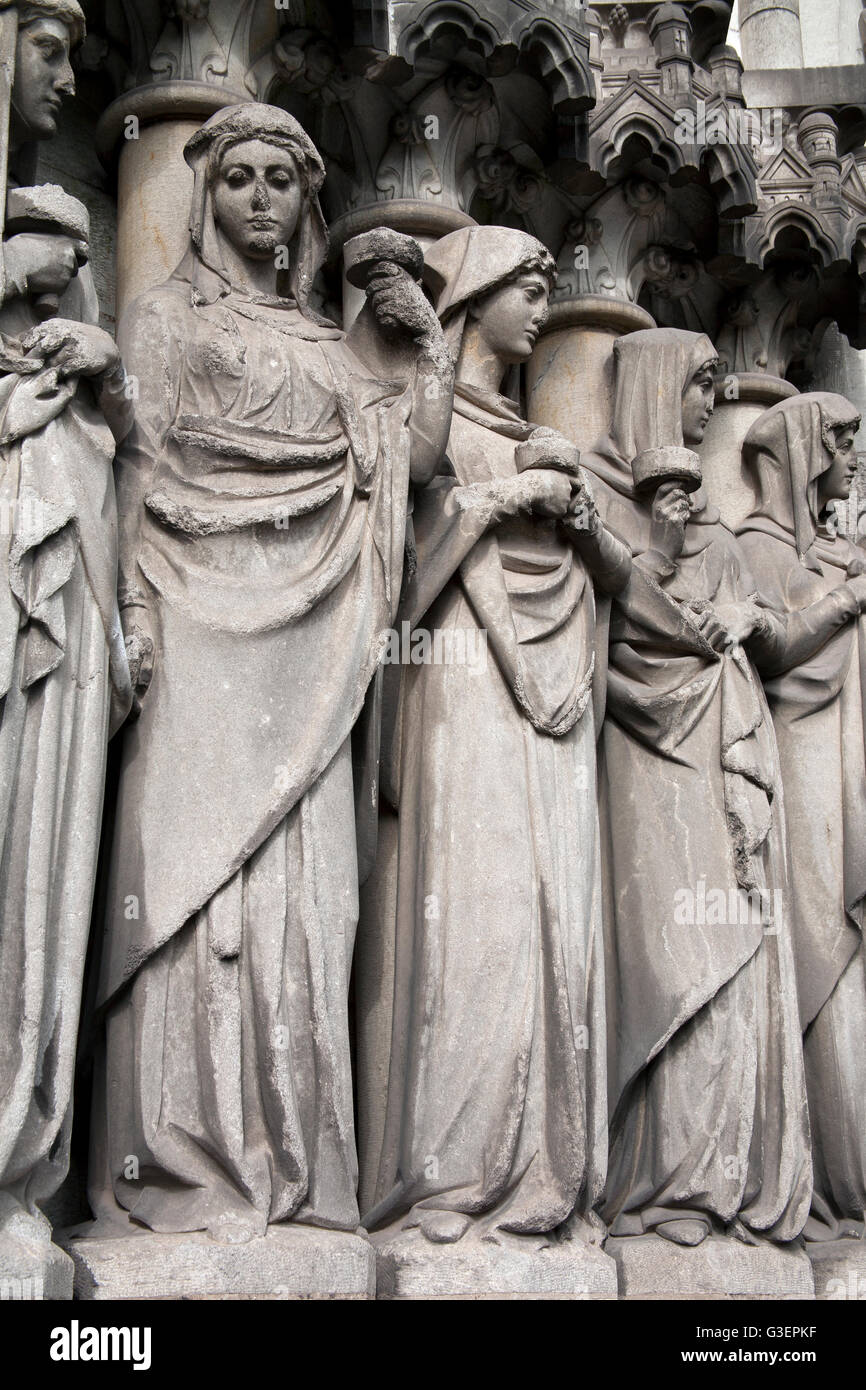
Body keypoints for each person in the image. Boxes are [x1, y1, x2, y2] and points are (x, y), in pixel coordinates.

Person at [87, 104, 453, 1242]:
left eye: (278, 181)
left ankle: (291, 1173)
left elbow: (411, 462)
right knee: (190, 894)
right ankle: (177, 1163)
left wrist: (424, 347)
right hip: (196, 647)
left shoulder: (327, 351)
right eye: (235, 176)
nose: (256, 197)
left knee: (306, 904)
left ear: (306, 201)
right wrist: (136, 611)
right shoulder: (159, 320)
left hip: (316, 656)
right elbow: (134, 476)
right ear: (204, 196)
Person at [363, 226, 631, 1248]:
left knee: (552, 916)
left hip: (552, 715)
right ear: (473, 296)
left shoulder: (534, 438)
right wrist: (490, 502)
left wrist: (574, 516)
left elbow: (622, 595)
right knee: (473, 924)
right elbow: (392, 579)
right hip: (458, 696)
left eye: (548, 286)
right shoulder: (427, 423)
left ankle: (546, 1171)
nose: (540, 306)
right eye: (527, 286)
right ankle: (450, 1172)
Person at [581, 328, 811, 1248]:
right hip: (648, 757)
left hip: (729, 744)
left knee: (740, 945)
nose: (709, 405)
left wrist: (748, 612)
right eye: (697, 386)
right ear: (650, 386)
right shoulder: (599, 499)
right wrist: (661, 554)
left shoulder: (721, 528)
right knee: (675, 951)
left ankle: (728, 1175)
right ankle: (660, 1173)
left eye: (720, 387)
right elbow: (617, 640)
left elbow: (767, 629)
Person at [0, 0, 133, 1282]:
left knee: (43, 881)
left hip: (56, 675)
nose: (69, 69)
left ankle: (18, 1167)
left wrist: (99, 391)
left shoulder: (79, 415)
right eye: (47, 45)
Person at [738, 393, 866, 1241]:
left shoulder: (832, 550)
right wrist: (849, 597)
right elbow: (773, 648)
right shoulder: (750, 545)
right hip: (799, 763)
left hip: (844, 762)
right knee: (819, 944)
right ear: (801, 447)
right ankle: (832, 1170)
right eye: (842, 442)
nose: (853, 459)